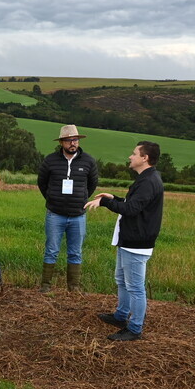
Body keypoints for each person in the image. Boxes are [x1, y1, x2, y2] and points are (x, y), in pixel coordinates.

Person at [84, 141, 165, 342]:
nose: (130, 156)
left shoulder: (148, 181)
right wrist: (114, 198)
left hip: (137, 243)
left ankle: (135, 328)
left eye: (134, 153)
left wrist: (105, 202)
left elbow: (131, 209)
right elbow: (134, 203)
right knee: (121, 280)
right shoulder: (146, 178)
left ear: (145, 158)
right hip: (129, 239)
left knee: (135, 287)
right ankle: (121, 316)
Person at [37, 124, 100, 292]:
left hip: (78, 215)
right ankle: (45, 286)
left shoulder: (88, 161)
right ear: (61, 142)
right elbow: (42, 183)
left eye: (75, 140)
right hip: (55, 214)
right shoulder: (50, 160)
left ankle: (74, 288)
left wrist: (81, 199)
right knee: (51, 250)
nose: (73, 143)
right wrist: (52, 199)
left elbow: (92, 184)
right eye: (69, 140)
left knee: (75, 252)